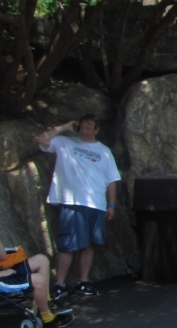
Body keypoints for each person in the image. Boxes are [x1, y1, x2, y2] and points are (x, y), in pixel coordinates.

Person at [35, 115, 121, 300]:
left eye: (89, 127)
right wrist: (65, 126)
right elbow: (41, 139)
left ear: (96, 130)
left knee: (89, 244)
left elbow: (112, 180)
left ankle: (83, 281)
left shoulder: (104, 151)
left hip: (96, 203)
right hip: (72, 201)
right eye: (82, 127)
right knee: (67, 244)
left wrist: (111, 205)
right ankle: (59, 284)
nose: (84, 130)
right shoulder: (65, 143)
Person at [0, 242, 74, 328]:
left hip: (4, 268)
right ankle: (46, 317)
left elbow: (3, 256)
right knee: (38, 280)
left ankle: (45, 303)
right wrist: (4, 273)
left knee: (42, 260)